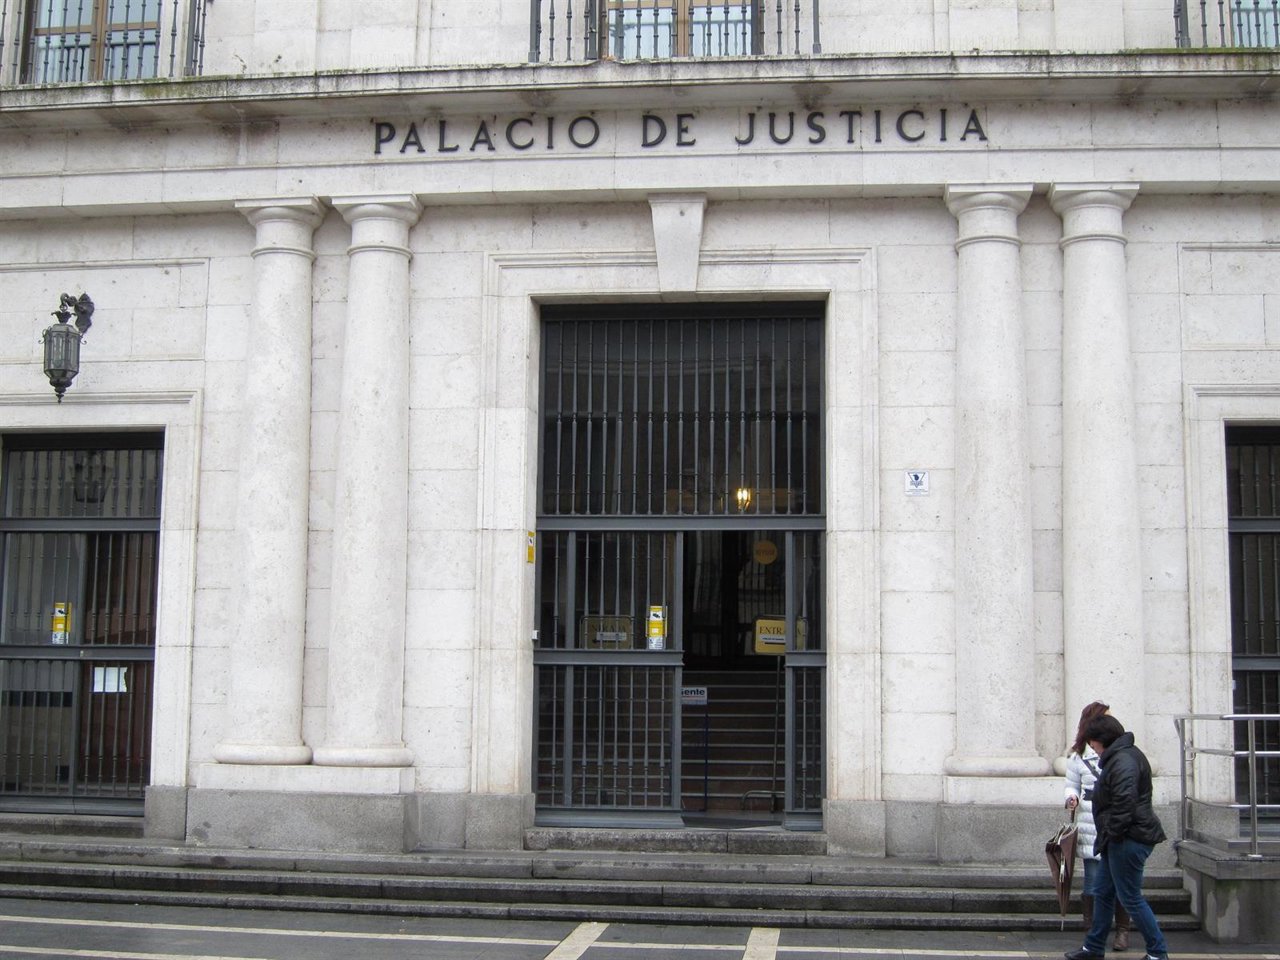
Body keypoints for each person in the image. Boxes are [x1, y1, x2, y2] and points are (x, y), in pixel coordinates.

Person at [1064, 714, 1170, 960]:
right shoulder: (1122, 756)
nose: (1093, 749)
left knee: (1130, 897)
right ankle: (1093, 947)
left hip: (1128, 839)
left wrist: (1111, 834)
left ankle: (1157, 952)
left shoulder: (1123, 760)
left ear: (1103, 740)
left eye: (1093, 744)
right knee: (1102, 892)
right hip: (1121, 838)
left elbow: (1124, 803)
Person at [1064, 702, 1131, 950]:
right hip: (1090, 821)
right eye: (1105, 718)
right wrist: (1071, 798)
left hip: (1115, 821)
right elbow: (1071, 784)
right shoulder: (1078, 756)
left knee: (1120, 879)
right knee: (1093, 880)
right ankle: (1092, 932)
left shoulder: (1121, 754)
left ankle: (1122, 930)